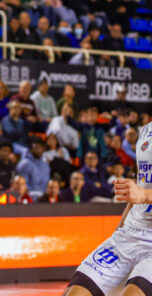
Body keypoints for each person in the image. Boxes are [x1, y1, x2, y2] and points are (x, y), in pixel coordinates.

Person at [65, 115, 152, 294]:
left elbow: (142, 193)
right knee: (75, 292)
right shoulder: (145, 130)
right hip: (129, 234)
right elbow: (140, 186)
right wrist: (118, 232)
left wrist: (144, 195)